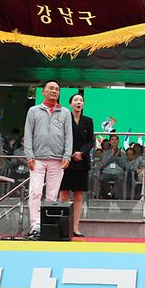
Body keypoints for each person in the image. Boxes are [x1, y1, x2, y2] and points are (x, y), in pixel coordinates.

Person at [24, 79, 73, 239]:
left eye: (57, 89)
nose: (54, 91)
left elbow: (68, 136)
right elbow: (28, 134)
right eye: (51, 88)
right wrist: (29, 155)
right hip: (37, 159)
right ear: (43, 91)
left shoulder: (65, 112)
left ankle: (48, 225)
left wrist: (67, 155)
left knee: (52, 195)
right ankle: (35, 225)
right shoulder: (33, 111)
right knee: (35, 192)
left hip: (58, 160)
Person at [59, 92, 94, 237]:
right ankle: (62, 227)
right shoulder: (64, 119)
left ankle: (75, 227)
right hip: (67, 160)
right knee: (64, 194)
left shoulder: (88, 120)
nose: (78, 102)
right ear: (70, 104)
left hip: (82, 162)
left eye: (81, 100)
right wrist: (72, 153)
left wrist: (82, 153)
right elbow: (61, 138)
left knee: (79, 195)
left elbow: (91, 141)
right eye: (75, 100)